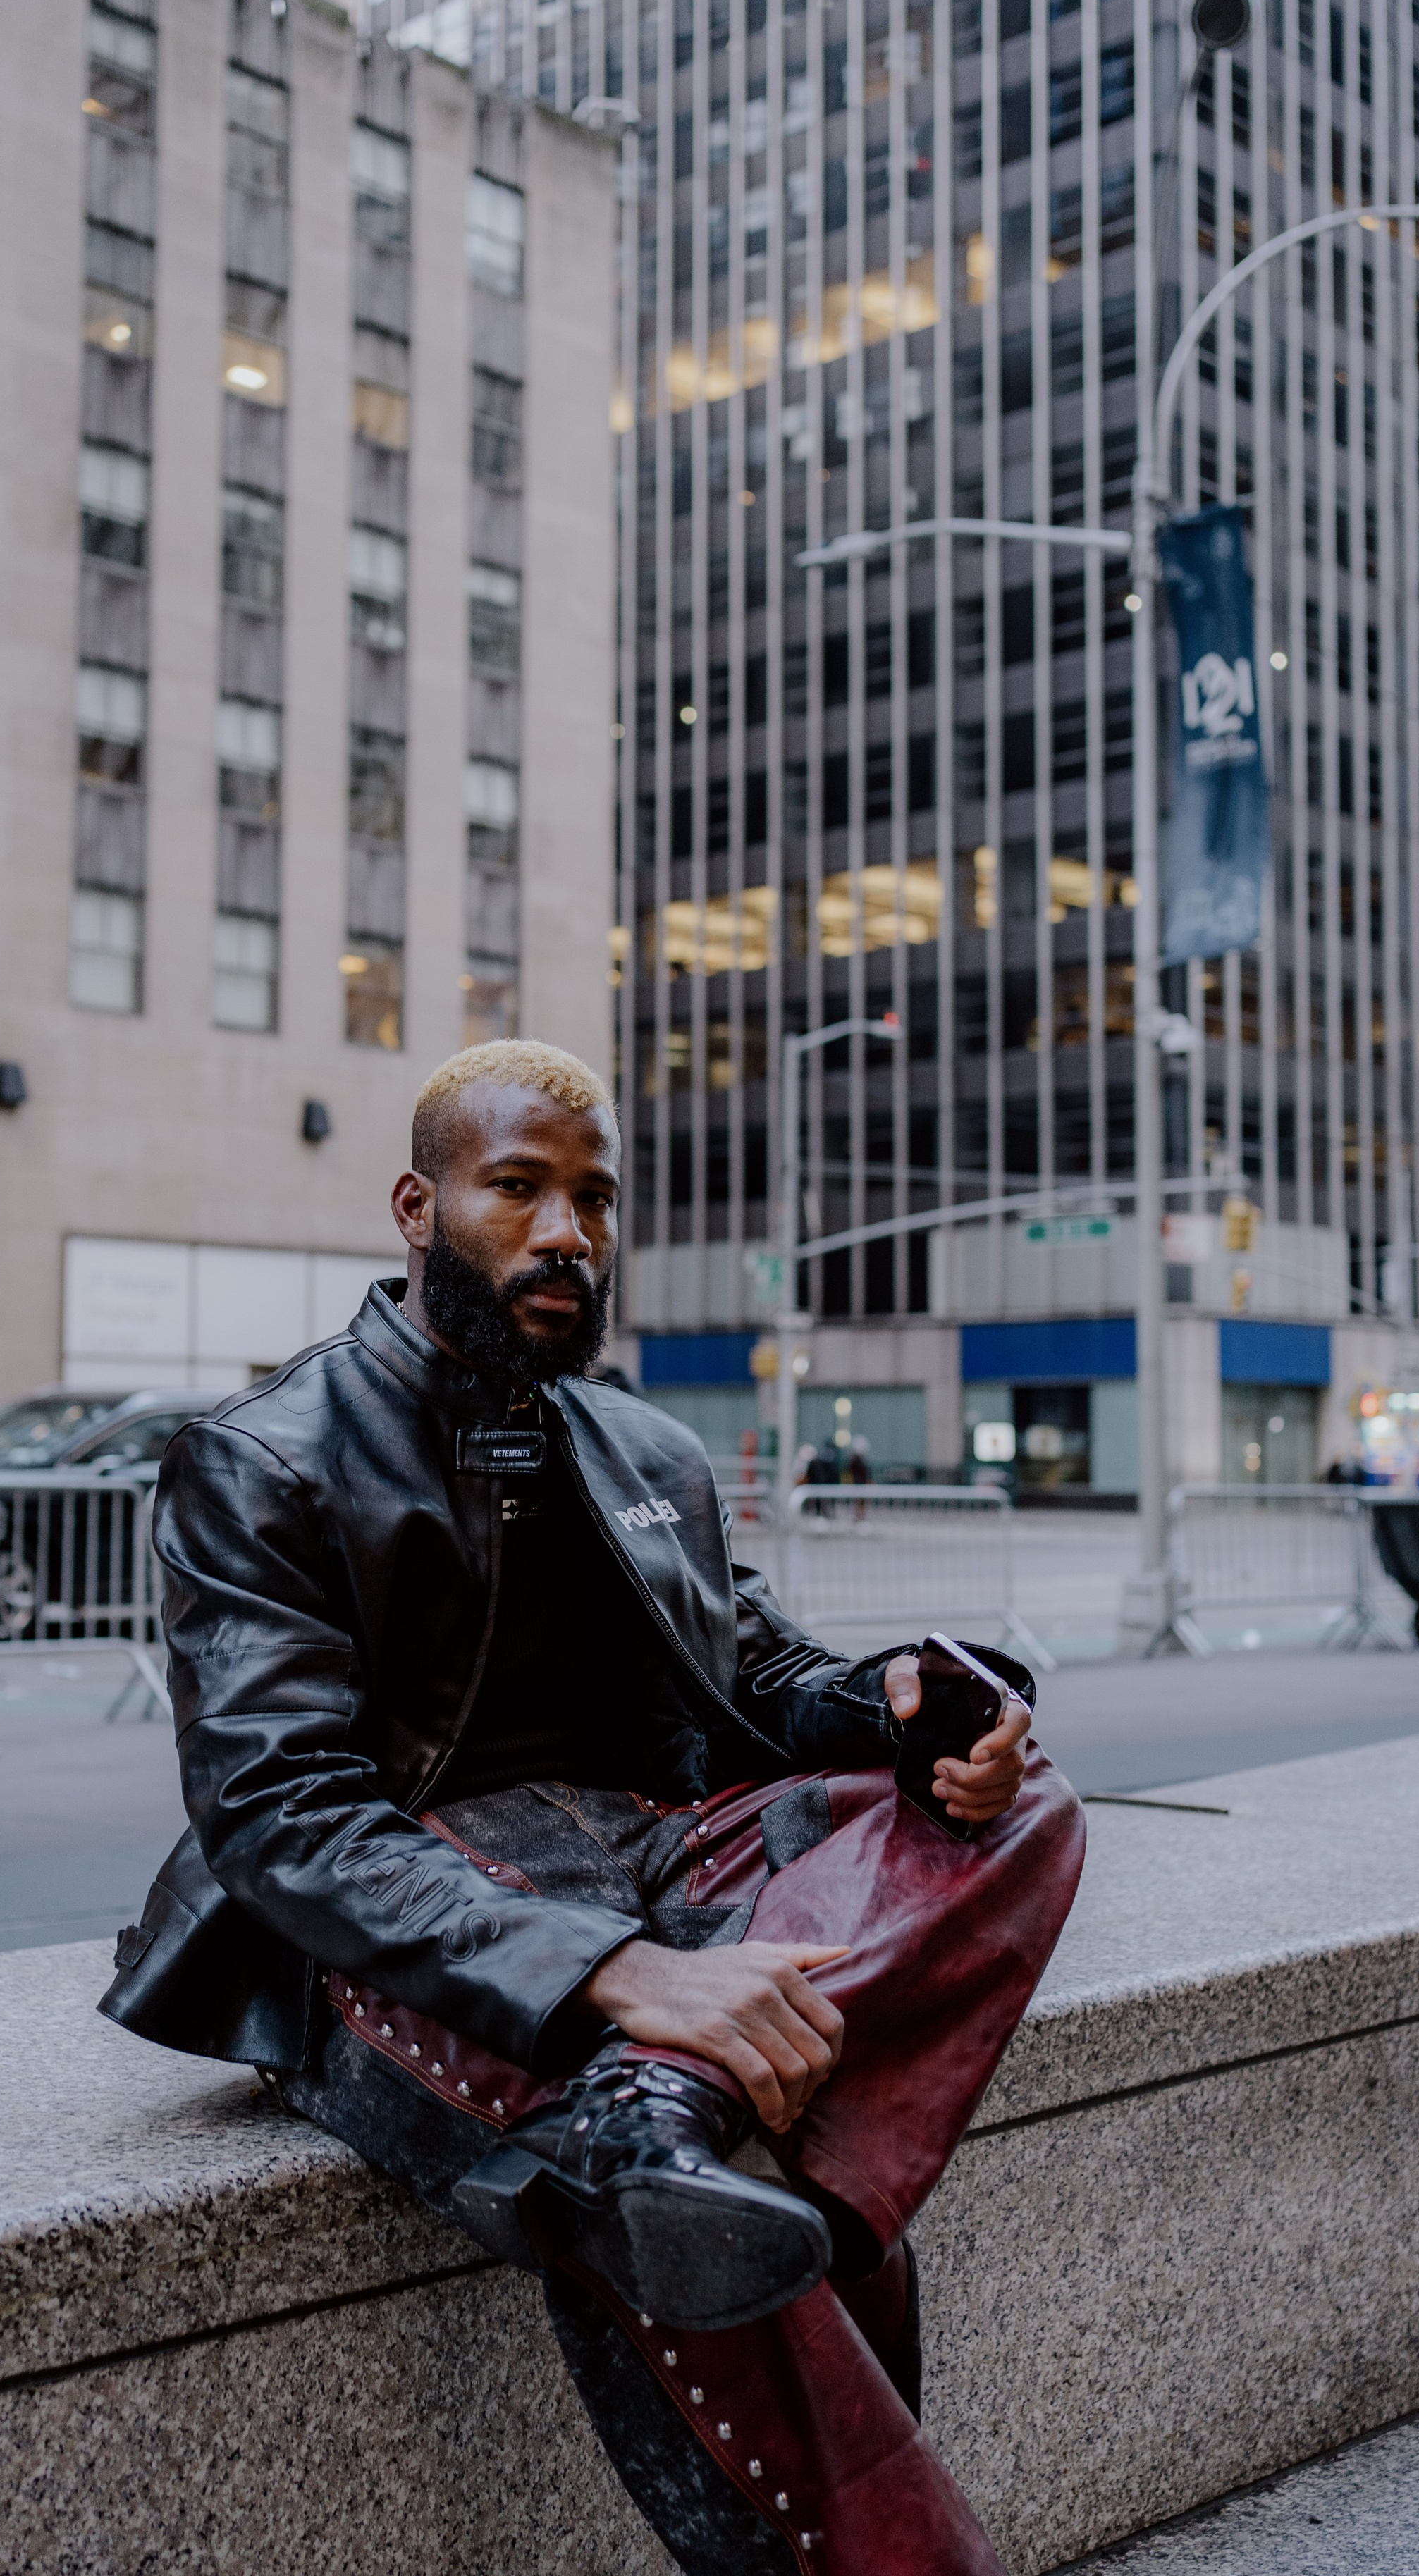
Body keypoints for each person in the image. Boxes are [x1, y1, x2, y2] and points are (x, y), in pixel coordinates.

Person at [102, 1040, 1085, 2575]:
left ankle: (658, 2107)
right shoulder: (262, 1458)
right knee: (682, 2213)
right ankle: (649, 2131)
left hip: (653, 1858)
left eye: (592, 1199)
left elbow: (754, 1673)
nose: (567, 1230)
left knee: (1019, 1812)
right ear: (417, 1208)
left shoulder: (644, 1446)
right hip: (410, 1918)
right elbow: (284, 1816)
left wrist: (899, 1703)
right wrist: (611, 1977)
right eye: (519, 1189)